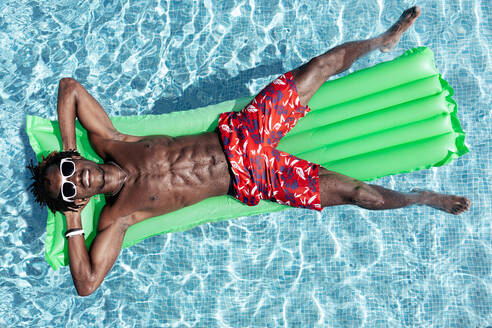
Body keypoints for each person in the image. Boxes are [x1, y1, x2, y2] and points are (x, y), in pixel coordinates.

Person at [27, 6, 469, 296]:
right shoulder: (118, 217)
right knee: (361, 196)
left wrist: (66, 147)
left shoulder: (110, 142)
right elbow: (85, 284)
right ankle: (423, 198)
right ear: (77, 201)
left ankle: (383, 40)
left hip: (244, 131)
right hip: (256, 176)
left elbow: (69, 89)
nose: (75, 177)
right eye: (68, 188)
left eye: (68, 168)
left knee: (318, 68)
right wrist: (71, 222)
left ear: (77, 158)